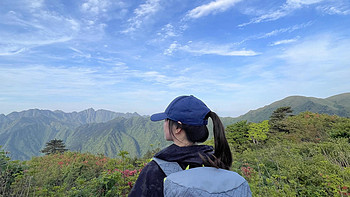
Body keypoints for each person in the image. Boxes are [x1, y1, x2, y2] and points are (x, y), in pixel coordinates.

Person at [128, 95, 233, 196]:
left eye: (166, 120)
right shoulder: (216, 161)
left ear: (178, 127)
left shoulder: (155, 170)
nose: (164, 124)